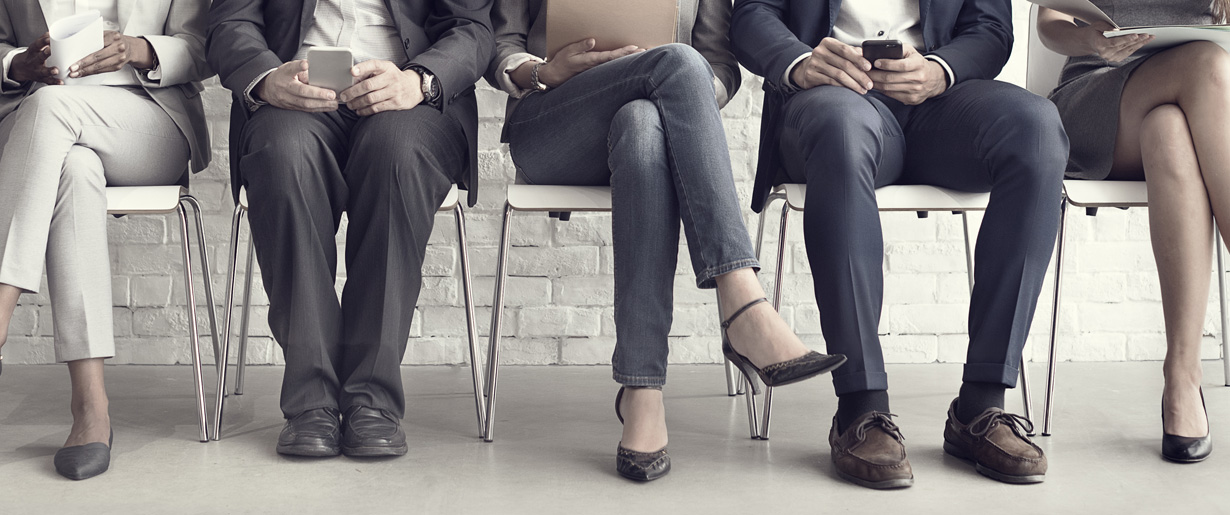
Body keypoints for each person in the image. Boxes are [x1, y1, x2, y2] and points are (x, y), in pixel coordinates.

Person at [487, 0, 846, 482]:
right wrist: (542, 71)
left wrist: (678, 92)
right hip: (553, 122)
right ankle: (742, 304)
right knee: (677, 61)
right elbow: (500, 43)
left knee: (643, 123)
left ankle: (642, 392)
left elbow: (719, 66)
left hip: (649, 124)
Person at [731, 0, 1069, 488]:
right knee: (841, 131)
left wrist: (939, 71)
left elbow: (991, 27)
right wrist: (801, 62)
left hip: (942, 108)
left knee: (1036, 130)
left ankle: (983, 404)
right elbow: (750, 14)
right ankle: (861, 408)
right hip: (832, 98)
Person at [206, 0, 492, 458]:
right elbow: (229, 21)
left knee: (396, 157)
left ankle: (372, 401)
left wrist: (418, 80)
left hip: (409, 96)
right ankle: (310, 402)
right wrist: (264, 77)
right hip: (294, 95)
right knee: (283, 159)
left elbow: (472, 28)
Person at [0, 0, 212, 480]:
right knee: (74, 165)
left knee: (53, 110)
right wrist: (17, 63)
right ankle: (90, 407)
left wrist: (139, 49)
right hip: (41, 120)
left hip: (147, 116)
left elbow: (204, 48)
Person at [1039, 0, 1226, 464]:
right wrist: (1088, 39)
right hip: (1098, 95)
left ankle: (1182, 377)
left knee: (1169, 129)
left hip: (1203, 111)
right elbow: (1047, 20)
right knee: (1208, 63)